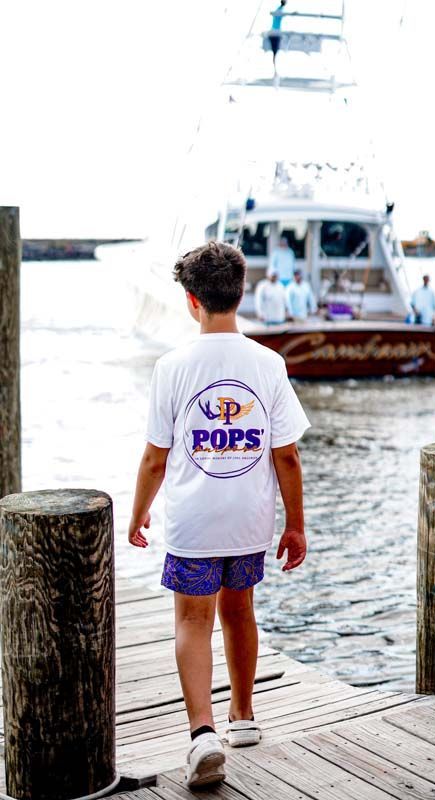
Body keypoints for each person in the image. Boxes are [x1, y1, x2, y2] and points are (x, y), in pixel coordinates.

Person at [128, 241, 310, 788]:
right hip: (248, 521)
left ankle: (202, 733)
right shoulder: (269, 364)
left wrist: (138, 513)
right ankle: (244, 716)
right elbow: (286, 456)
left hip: (193, 522)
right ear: (241, 292)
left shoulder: (171, 367)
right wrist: (295, 524)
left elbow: (155, 458)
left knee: (192, 621)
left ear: (191, 300)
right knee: (239, 610)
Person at [269, 0, 286, 67]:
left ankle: (274, 63)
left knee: (275, 51)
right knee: (275, 50)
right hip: (275, 32)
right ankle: (274, 63)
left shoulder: (279, 8)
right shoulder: (280, 9)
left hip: (275, 32)